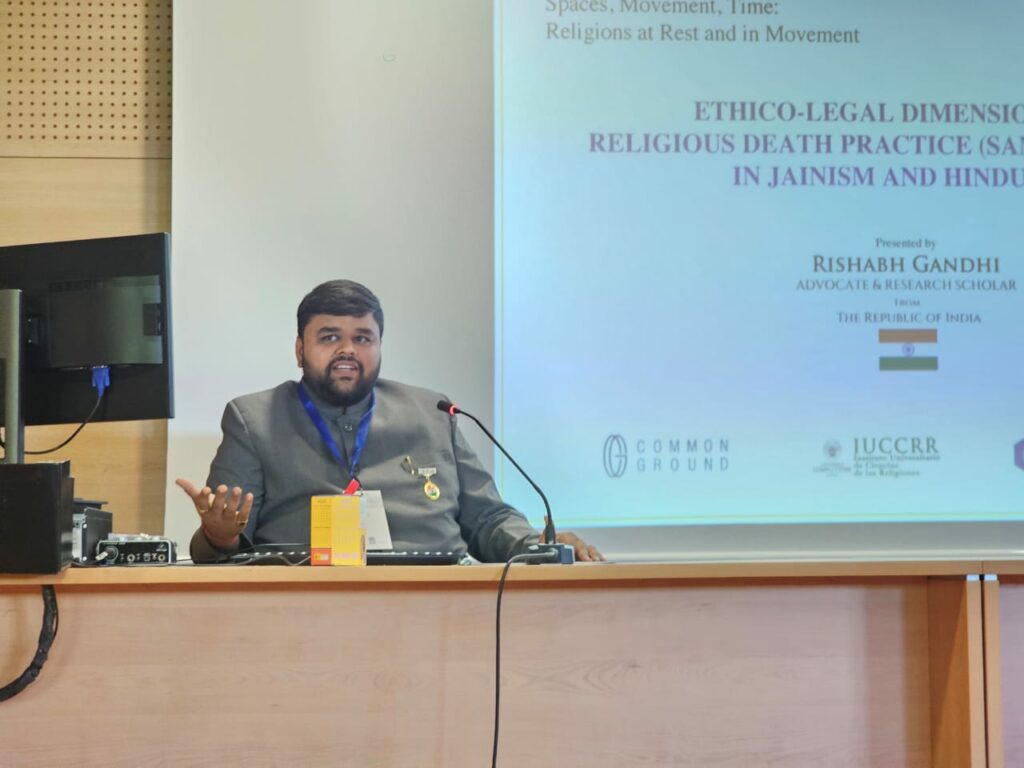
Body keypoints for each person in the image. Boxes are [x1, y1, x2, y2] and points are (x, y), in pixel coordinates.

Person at [177, 279, 604, 563]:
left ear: (380, 347)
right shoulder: (253, 420)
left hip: (442, 604)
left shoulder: (433, 413)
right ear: (300, 350)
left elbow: (488, 520)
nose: (347, 350)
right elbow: (219, 549)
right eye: (329, 337)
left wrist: (537, 545)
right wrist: (219, 535)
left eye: (362, 338)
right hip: (305, 604)